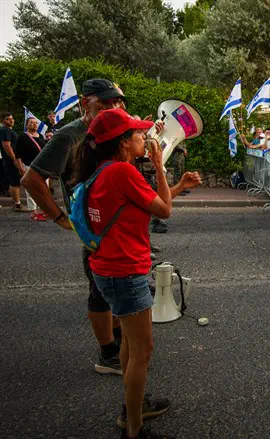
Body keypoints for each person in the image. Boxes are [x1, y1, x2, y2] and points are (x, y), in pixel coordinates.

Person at [71, 107, 200, 439]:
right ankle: (133, 427)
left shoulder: (103, 171)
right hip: (125, 271)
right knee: (143, 351)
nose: (146, 137)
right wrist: (159, 165)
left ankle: (133, 406)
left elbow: (147, 203)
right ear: (124, 142)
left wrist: (179, 185)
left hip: (109, 267)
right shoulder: (122, 173)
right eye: (139, 134)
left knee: (129, 340)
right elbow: (164, 210)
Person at [22, 78, 129, 375]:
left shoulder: (113, 129)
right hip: (93, 225)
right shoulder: (69, 136)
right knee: (100, 287)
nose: (113, 108)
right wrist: (59, 217)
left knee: (118, 285)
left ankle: (119, 340)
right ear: (85, 103)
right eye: (105, 103)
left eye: (117, 102)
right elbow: (31, 179)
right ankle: (108, 355)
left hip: (117, 221)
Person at [16, 117, 48, 219]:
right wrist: (21, 167)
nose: (34, 124)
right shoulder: (22, 137)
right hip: (29, 167)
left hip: (42, 167)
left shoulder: (41, 136)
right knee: (31, 190)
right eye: (31, 123)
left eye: (35, 123)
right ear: (26, 125)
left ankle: (43, 209)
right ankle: (33, 212)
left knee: (43, 190)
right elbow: (18, 154)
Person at [1, 111, 26, 211]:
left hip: (12, 160)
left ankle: (16, 203)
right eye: (8, 119)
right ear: (3, 121)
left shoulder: (9, 130)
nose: (11, 120)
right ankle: (17, 205)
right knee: (15, 182)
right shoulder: (4, 130)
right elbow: (6, 146)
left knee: (15, 182)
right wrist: (14, 159)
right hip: (10, 160)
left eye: (12, 118)